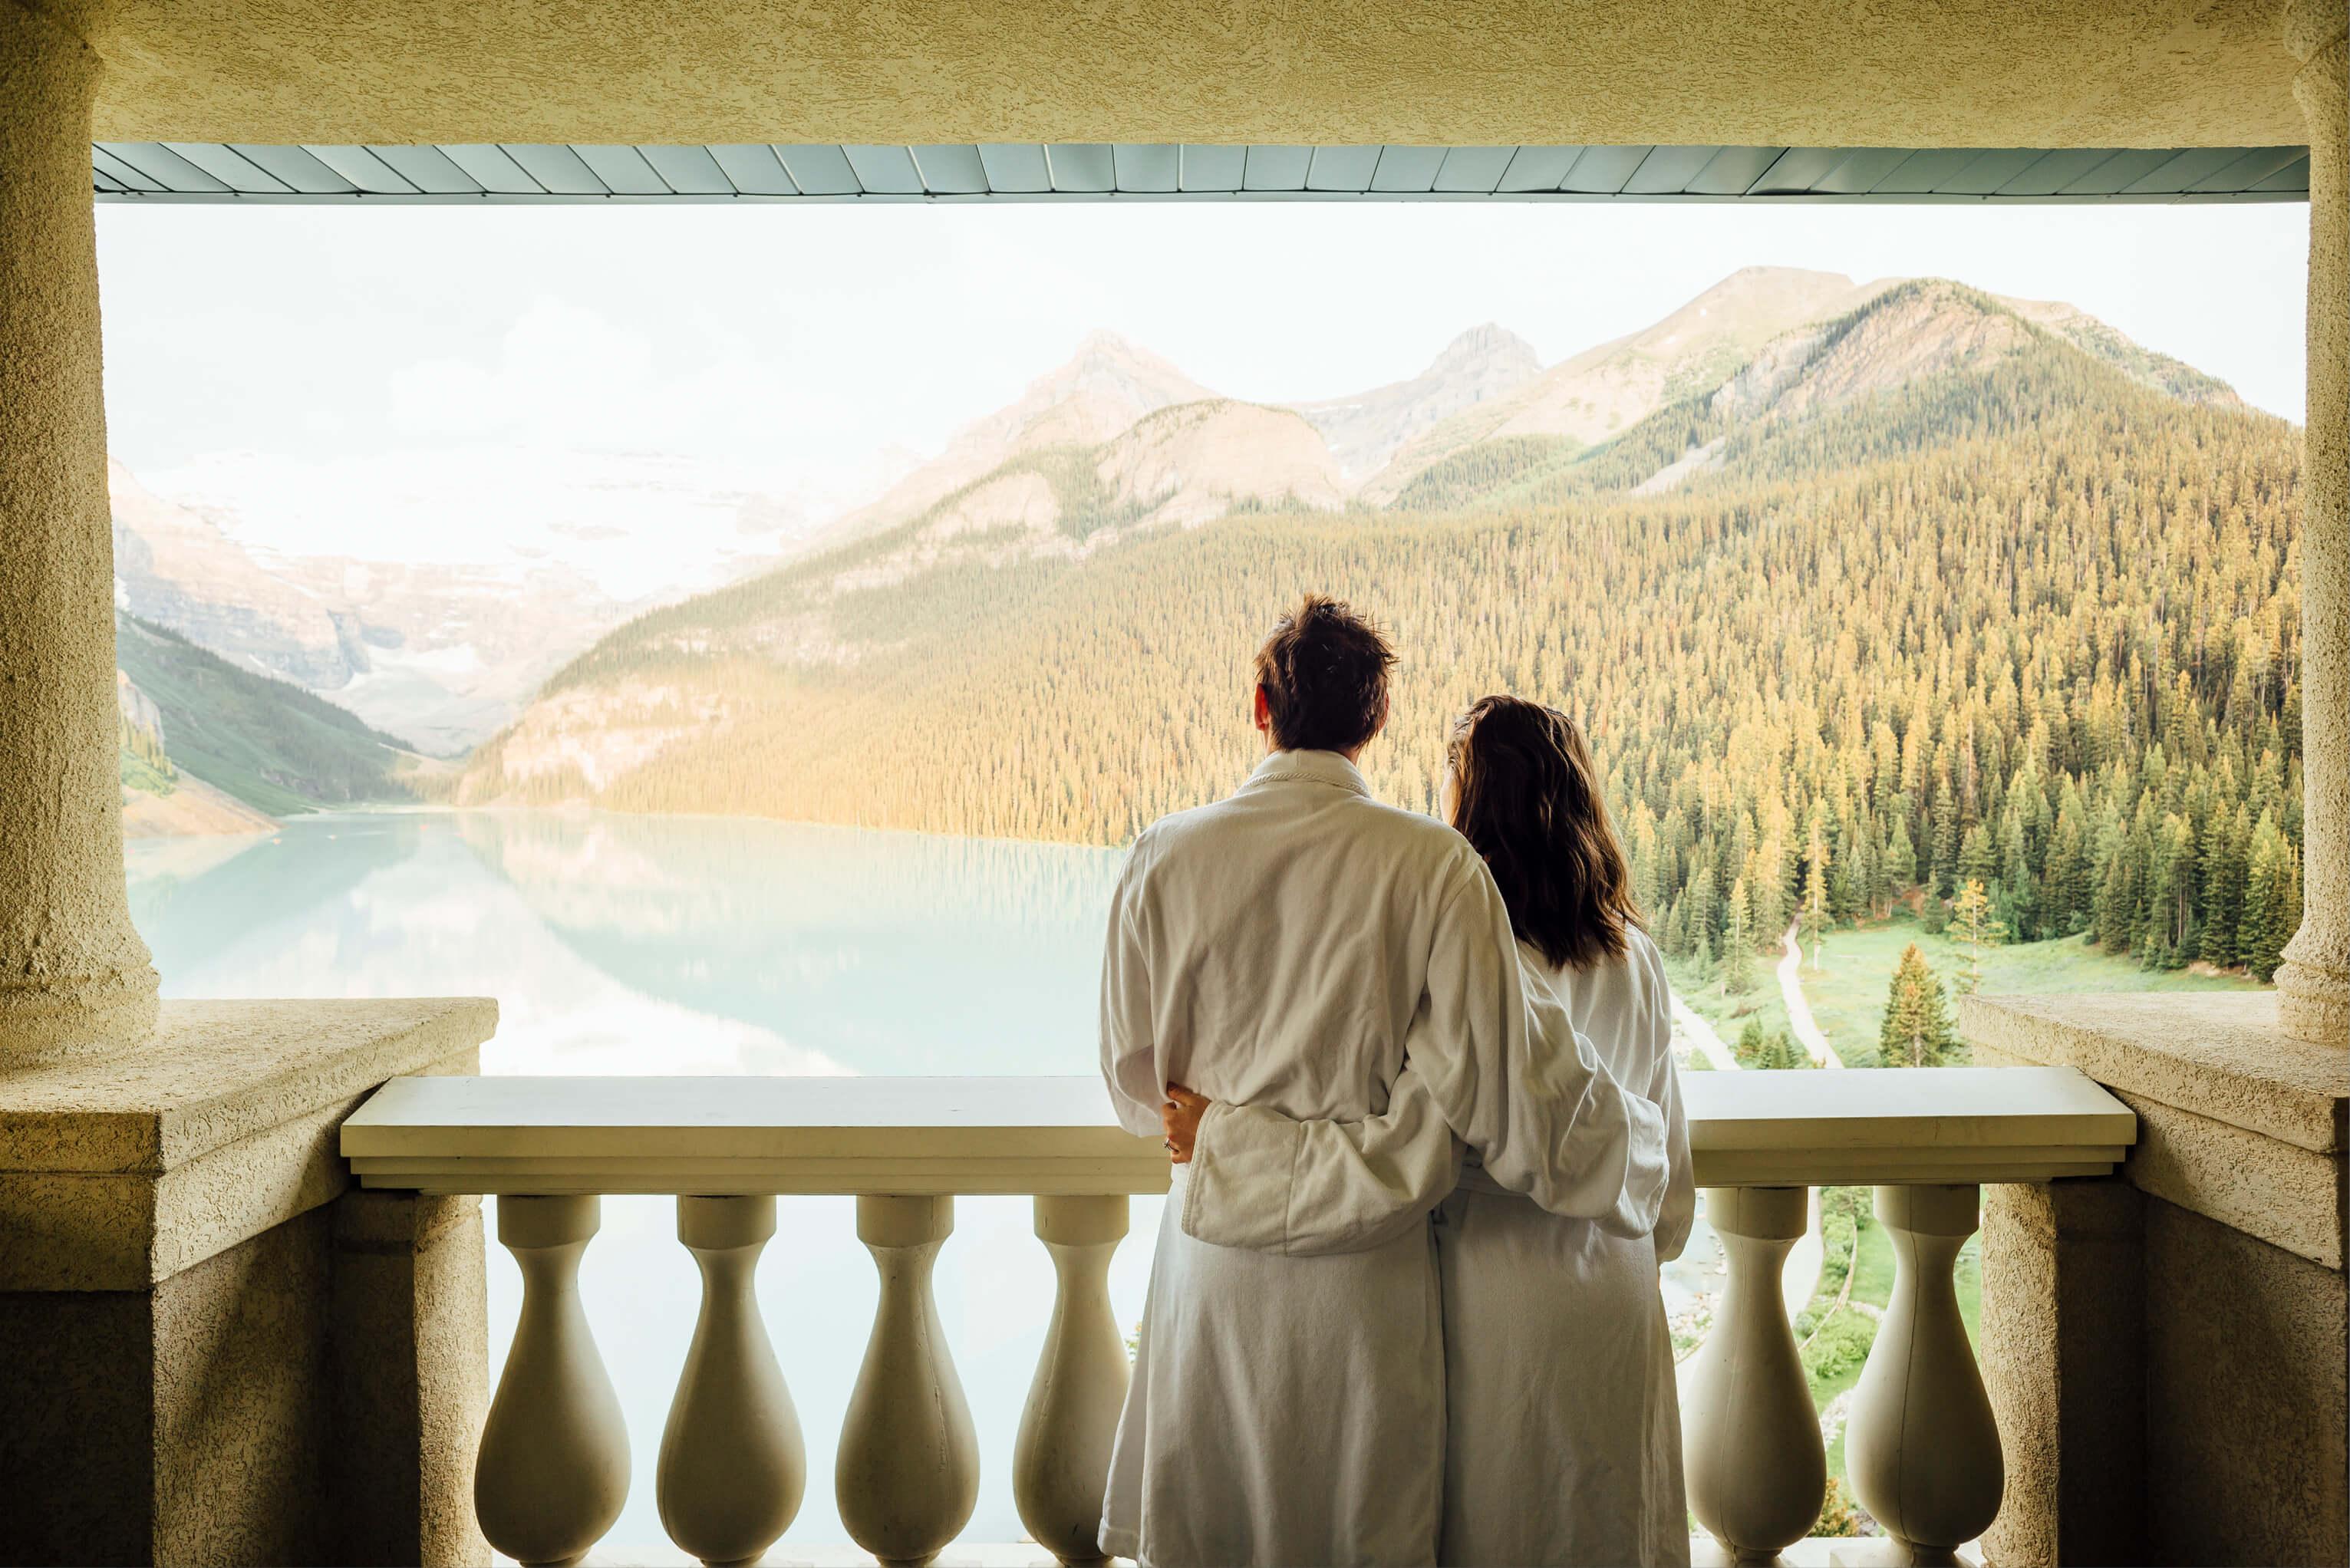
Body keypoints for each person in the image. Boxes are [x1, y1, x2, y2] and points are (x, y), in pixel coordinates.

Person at [1097, 598, 1669, 1567]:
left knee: (1216, 1527)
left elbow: (1130, 1092)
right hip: (1368, 1295)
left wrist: (1219, 1129)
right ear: (1377, 720)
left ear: (1259, 707)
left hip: (1213, 1273)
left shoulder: (1163, 856)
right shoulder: (1434, 867)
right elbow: (1495, 1088)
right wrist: (1641, 1153)